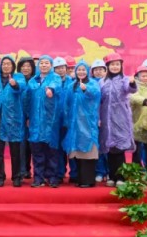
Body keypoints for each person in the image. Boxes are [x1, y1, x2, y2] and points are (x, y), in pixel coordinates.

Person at [99, 53, 137, 187]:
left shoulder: (125, 80)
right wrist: (98, 118)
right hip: (106, 120)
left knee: (120, 149)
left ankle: (121, 177)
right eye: (112, 64)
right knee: (110, 149)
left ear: (121, 66)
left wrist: (132, 83)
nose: (115, 67)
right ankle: (112, 176)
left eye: (117, 64)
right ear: (107, 66)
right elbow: (98, 101)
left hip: (121, 119)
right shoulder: (102, 82)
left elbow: (130, 89)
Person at [61, 60, 101, 187]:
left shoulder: (93, 84)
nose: (81, 72)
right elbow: (66, 103)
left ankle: (88, 180)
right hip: (75, 125)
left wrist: (86, 90)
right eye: (79, 70)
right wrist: (67, 119)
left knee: (88, 153)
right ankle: (80, 178)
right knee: (77, 153)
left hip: (88, 124)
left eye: (83, 70)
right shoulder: (71, 86)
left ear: (88, 71)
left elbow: (96, 95)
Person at [0, 56, 27, 187]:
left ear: (13, 66)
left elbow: (22, 87)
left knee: (15, 152)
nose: (6, 66)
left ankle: (16, 177)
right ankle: (0, 176)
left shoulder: (19, 78)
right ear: (0, 66)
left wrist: (14, 84)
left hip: (13, 120)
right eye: (4, 64)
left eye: (8, 64)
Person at [27, 55, 61, 187]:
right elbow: (27, 99)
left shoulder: (55, 78)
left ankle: (52, 177)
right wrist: (27, 117)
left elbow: (55, 86)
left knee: (51, 151)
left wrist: (50, 90)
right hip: (35, 121)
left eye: (47, 63)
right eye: (42, 63)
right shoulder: (32, 81)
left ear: (51, 65)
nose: (44, 65)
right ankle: (38, 177)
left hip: (50, 121)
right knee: (37, 151)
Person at [52, 56, 75, 184]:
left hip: (70, 121)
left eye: (62, 67)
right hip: (55, 121)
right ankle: (60, 173)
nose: (60, 70)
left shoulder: (72, 82)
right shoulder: (51, 82)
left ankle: (74, 173)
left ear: (66, 68)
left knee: (71, 147)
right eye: (58, 68)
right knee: (58, 149)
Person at [17, 56, 36, 180]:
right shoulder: (16, 80)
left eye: (28, 66)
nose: (25, 68)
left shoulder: (36, 80)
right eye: (23, 66)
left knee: (33, 145)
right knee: (21, 145)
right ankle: (23, 170)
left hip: (34, 117)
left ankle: (36, 171)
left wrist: (30, 116)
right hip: (19, 117)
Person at [91, 59, 109, 184]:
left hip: (107, 118)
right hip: (93, 119)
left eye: (101, 70)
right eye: (96, 70)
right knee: (96, 146)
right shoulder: (90, 83)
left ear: (105, 71)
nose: (98, 72)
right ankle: (99, 171)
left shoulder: (108, 83)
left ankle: (108, 171)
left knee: (107, 146)